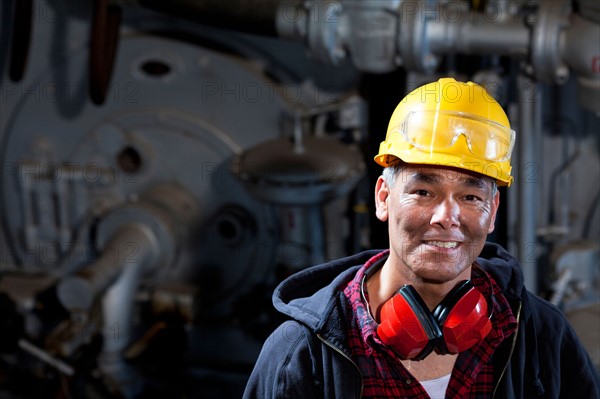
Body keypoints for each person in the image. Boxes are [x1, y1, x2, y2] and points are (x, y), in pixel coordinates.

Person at [243, 77, 600, 398]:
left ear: (492, 212)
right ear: (383, 197)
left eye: (470, 197)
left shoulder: (541, 337)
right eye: (424, 191)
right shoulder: (302, 353)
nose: (447, 217)